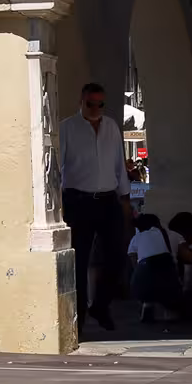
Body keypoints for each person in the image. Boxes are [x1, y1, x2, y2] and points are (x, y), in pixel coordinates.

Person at [58, 82, 133, 334]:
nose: (95, 108)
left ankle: (100, 305)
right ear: (81, 101)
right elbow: (58, 166)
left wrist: (125, 196)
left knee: (117, 255)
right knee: (79, 260)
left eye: (100, 104)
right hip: (78, 200)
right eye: (91, 103)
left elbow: (118, 163)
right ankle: (78, 318)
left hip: (108, 199)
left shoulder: (111, 126)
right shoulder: (67, 128)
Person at [126, 214, 182, 322]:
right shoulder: (171, 234)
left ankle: (147, 303)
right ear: (157, 223)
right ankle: (170, 312)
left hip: (141, 281)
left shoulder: (137, 237)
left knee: (147, 279)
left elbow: (133, 261)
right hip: (166, 278)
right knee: (171, 292)